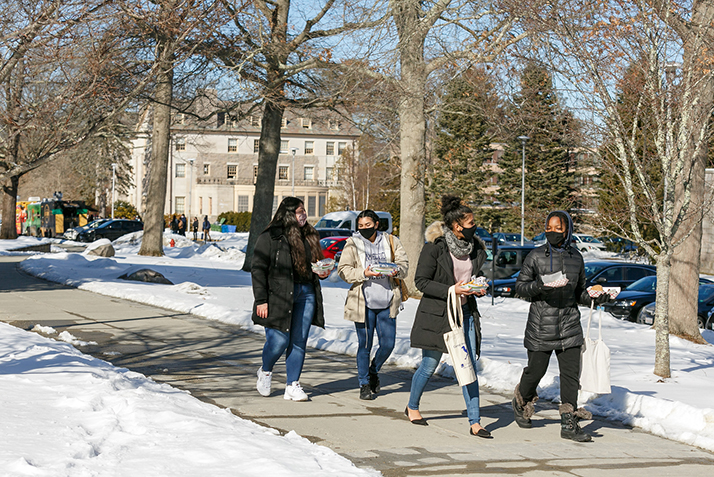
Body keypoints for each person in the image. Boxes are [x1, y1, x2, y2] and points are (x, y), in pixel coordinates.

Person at [512, 210, 611, 442]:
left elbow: (581, 293)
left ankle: (569, 423)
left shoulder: (576, 257)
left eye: (558, 228)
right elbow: (520, 287)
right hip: (540, 326)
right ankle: (522, 399)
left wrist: (598, 297)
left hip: (569, 326)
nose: (553, 232)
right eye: (550, 227)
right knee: (536, 371)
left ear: (568, 230)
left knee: (570, 376)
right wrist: (540, 286)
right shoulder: (535, 256)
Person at [406, 194, 490, 438]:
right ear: (456, 226)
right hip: (439, 314)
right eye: (470, 222)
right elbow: (421, 282)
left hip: (466, 313)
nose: (475, 226)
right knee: (429, 365)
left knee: (468, 366)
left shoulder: (475, 248)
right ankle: (412, 406)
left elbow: (475, 275)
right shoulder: (435, 248)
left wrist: (479, 286)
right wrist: (452, 289)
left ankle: (475, 422)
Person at [251, 197, 331, 401]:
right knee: (278, 341)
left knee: (299, 340)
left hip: (306, 293)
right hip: (277, 295)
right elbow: (258, 269)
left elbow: (316, 263)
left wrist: (322, 272)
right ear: (287, 214)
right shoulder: (271, 236)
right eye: (299, 211)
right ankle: (266, 371)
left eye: (304, 211)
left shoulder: (311, 235)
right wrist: (261, 300)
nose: (303, 214)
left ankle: (292, 385)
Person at [338, 210, 409, 400]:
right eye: (360, 226)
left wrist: (395, 271)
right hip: (363, 302)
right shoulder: (353, 244)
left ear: (376, 224)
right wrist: (365, 273)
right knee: (365, 345)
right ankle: (364, 384)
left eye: (367, 225)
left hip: (387, 300)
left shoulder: (391, 241)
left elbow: (404, 265)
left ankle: (373, 370)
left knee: (388, 344)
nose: (364, 229)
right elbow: (343, 271)